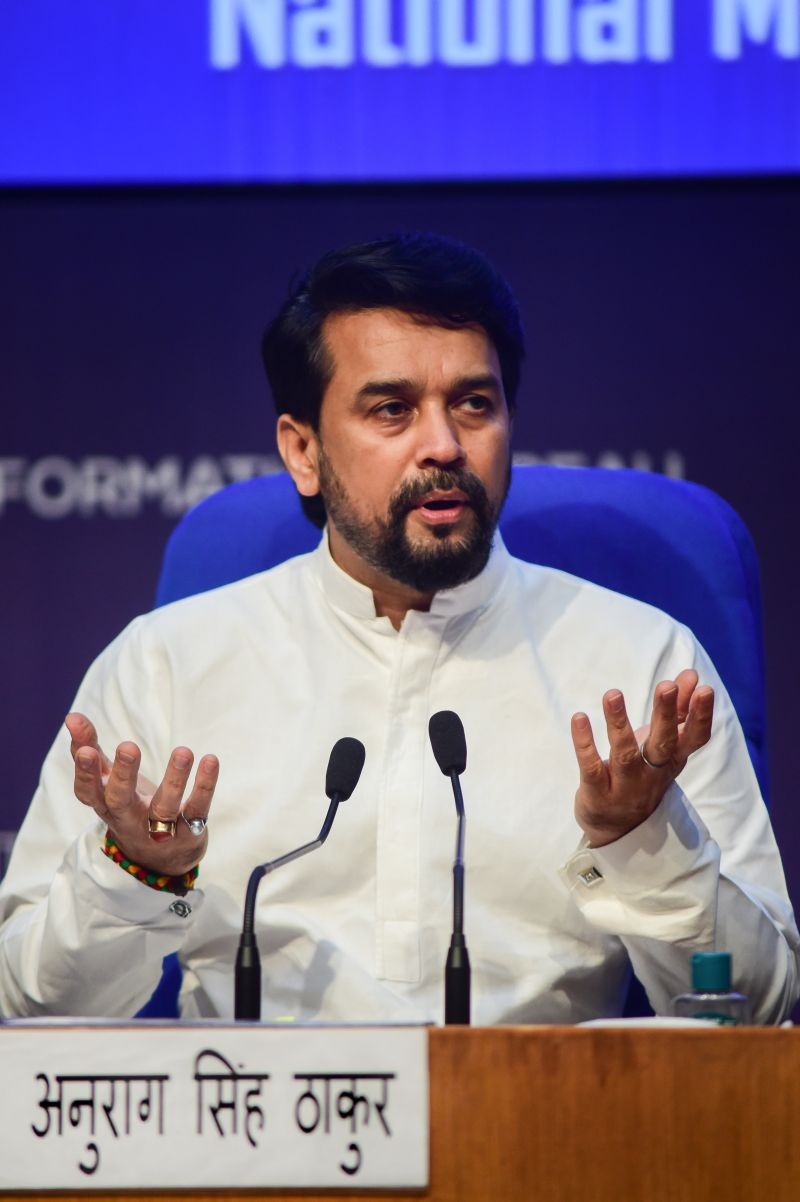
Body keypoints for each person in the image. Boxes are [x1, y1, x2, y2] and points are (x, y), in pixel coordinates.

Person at [1, 233, 797, 1023]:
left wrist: (642, 839)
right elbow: (28, 1005)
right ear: (303, 451)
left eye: (473, 404)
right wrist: (135, 874)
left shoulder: (641, 664)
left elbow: (764, 1012)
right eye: (393, 409)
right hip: (253, 1138)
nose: (445, 445)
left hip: (539, 1134)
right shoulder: (168, 664)